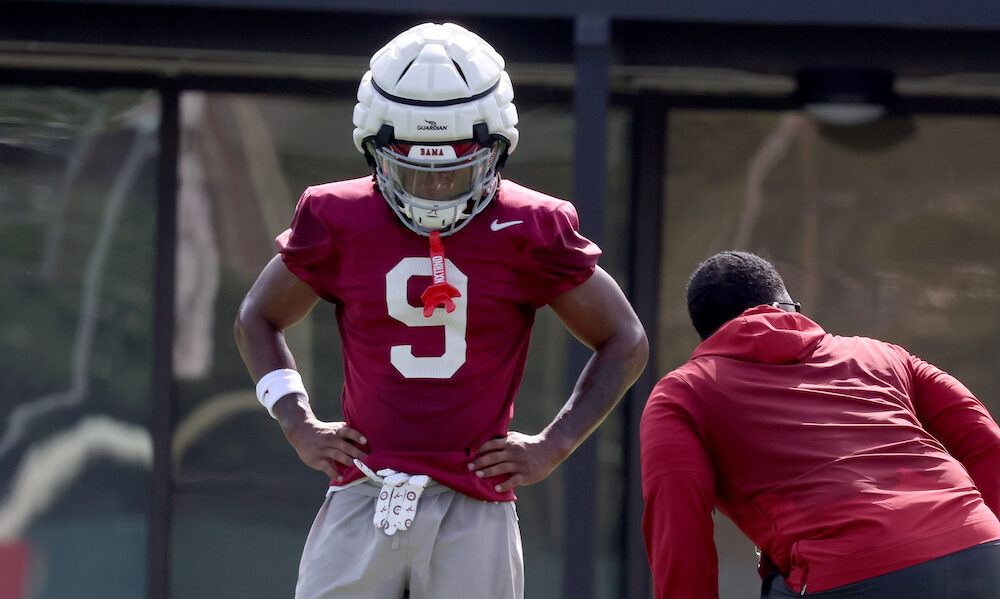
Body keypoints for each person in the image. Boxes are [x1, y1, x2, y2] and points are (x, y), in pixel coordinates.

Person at [234, 22, 648, 599]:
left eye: (454, 169)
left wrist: (556, 444)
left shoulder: (529, 227)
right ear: (376, 152)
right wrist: (296, 421)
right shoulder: (337, 215)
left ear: (495, 151)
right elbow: (256, 316)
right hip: (365, 489)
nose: (434, 192)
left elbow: (625, 337)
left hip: (473, 499)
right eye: (413, 171)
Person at [640, 250, 1000, 599]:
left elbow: (680, 535)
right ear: (787, 307)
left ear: (707, 335)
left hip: (848, 577)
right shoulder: (885, 355)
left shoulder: (682, 394)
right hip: (983, 552)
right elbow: (986, 444)